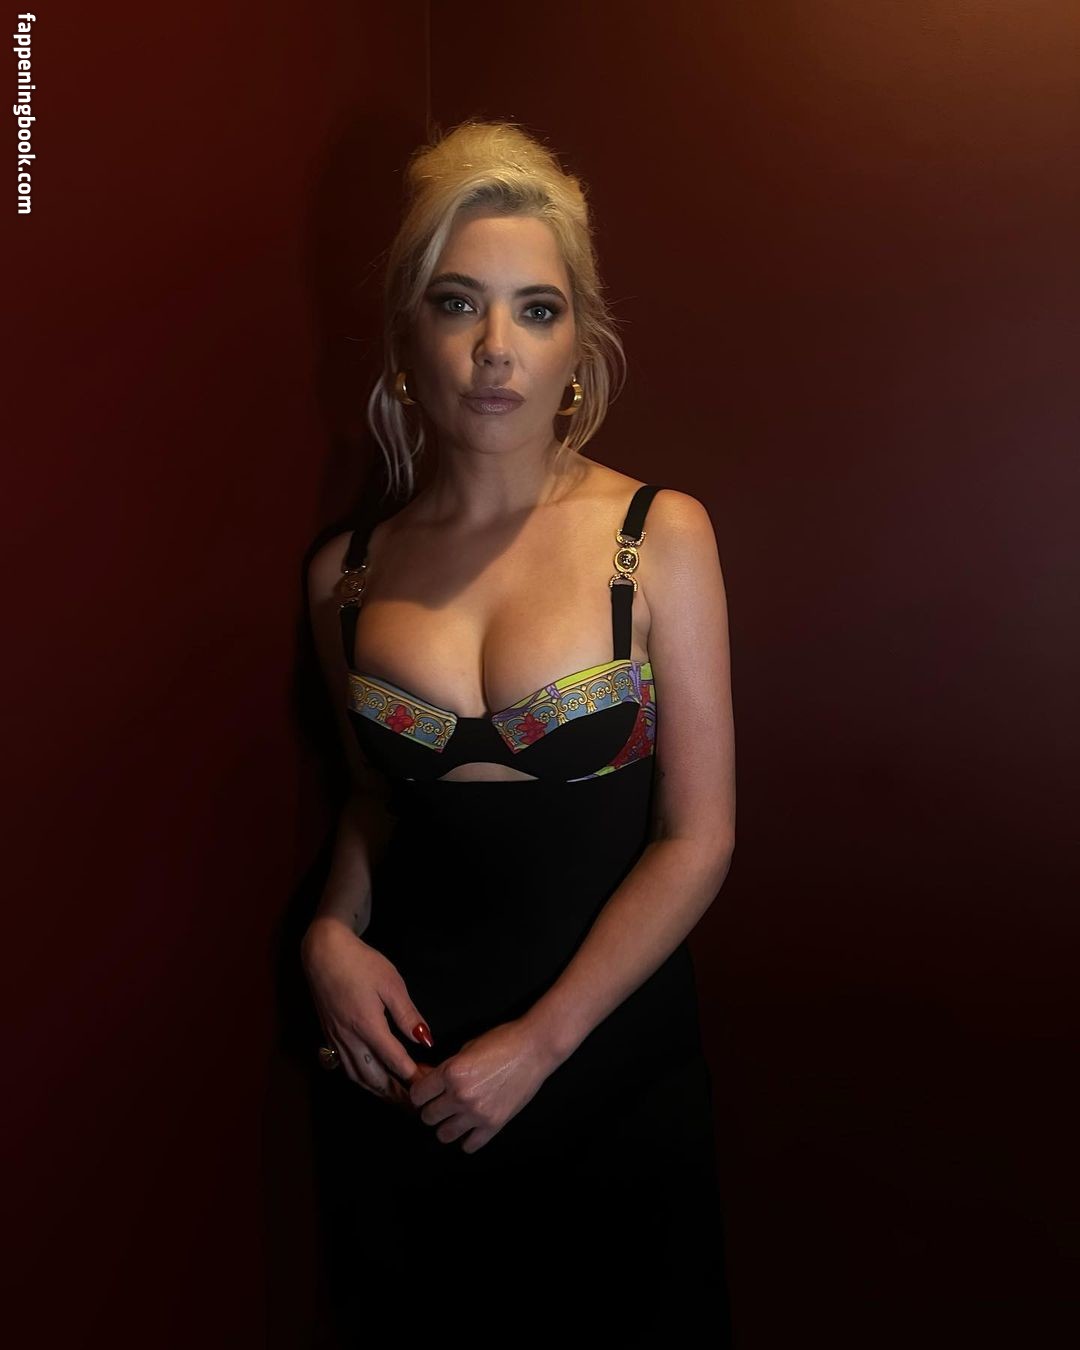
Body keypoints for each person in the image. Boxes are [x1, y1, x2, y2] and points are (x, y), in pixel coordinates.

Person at [302, 119, 736, 1343]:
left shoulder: (658, 537)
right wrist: (329, 933)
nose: (496, 348)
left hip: (608, 1074)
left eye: (535, 310)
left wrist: (538, 1049)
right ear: (408, 337)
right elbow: (378, 799)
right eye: (459, 303)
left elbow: (699, 837)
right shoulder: (344, 576)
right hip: (410, 1086)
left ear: (577, 346)